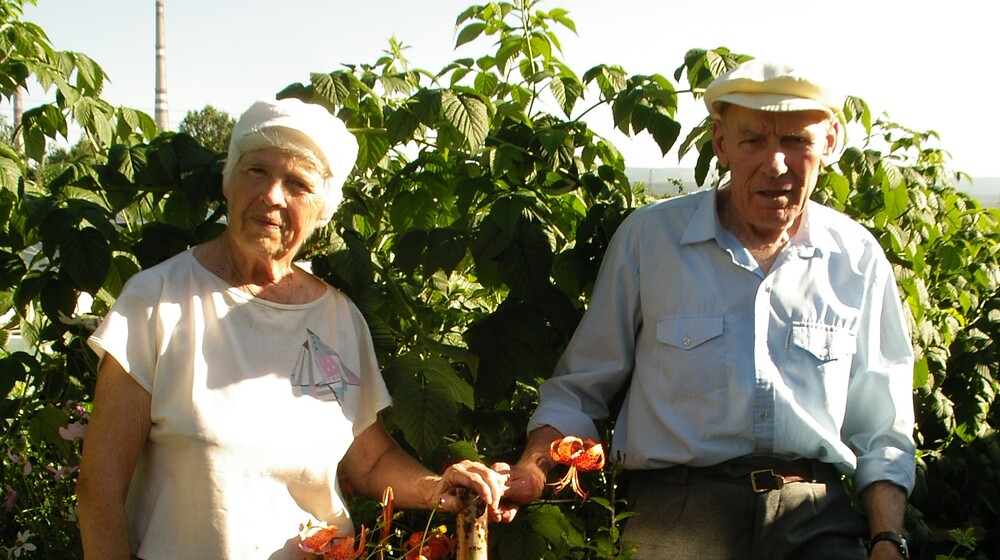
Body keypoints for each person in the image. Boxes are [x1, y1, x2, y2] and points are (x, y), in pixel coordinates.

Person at [500, 60, 916, 560]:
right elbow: (580, 389)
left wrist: (887, 541)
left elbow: (883, 430)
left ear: (829, 143)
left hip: (813, 517)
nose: (776, 164)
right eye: (753, 141)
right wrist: (530, 470)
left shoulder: (856, 257)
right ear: (720, 143)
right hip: (676, 513)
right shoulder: (650, 241)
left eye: (797, 142)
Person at [76, 97, 510, 559]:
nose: (273, 196)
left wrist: (439, 486)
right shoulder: (156, 302)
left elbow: (371, 461)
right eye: (257, 171)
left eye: (298, 184)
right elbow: (98, 491)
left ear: (322, 211)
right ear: (228, 181)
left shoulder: (338, 319)